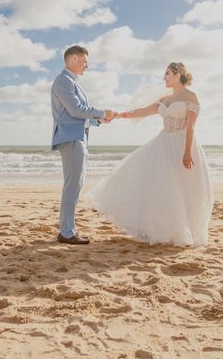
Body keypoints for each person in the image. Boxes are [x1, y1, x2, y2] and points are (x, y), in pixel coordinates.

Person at [85, 62, 213, 247]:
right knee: (165, 188)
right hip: (163, 145)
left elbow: (191, 126)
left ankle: (188, 231)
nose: (164, 78)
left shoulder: (190, 97)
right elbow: (142, 111)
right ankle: (167, 230)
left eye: (167, 74)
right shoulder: (165, 99)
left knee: (185, 188)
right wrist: (120, 115)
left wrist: (187, 152)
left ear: (177, 75)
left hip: (184, 144)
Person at [50, 45, 115, 245]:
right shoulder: (63, 81)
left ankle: (68, 230)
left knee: (75, 186)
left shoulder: (71, 81)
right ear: (72, 60)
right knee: (72, 186)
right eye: (85, 61)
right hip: (71, 139)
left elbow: (76, 114)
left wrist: (98, 121)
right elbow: (76, 110)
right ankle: (67, 233)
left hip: (77, 137)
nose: (87, 65)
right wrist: (102, 112)